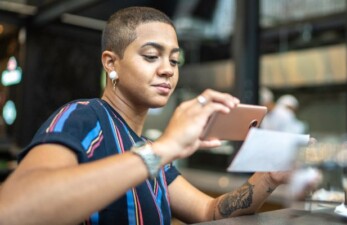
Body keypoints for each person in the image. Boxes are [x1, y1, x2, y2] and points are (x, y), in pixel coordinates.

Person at [0, 7, 308, 225]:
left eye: (174, 60)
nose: (167, 69)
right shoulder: (83, 117)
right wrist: (163, 148)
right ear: (111, 63)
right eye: (151, 56)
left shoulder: (148, 150)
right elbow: (12, 211)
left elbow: (209, 212)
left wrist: (269, 177)